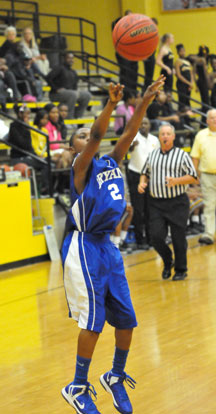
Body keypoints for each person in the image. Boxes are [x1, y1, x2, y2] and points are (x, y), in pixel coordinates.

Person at [61, 76, 165, 414]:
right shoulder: (80, 168)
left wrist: (145, 102)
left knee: (126, 320)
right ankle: (77, 386)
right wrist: (109, 104)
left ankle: (115, 375)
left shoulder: (110, 161)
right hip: (84, 247)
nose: (87, 139)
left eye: (86, 135)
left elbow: (129, 133)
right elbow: (96, 135)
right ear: (74, 146)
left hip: (107, 246)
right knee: (92, 323)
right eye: (79, 136)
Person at [138, 123, 198, 281]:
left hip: (177, 202)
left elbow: (193, 177)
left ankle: (180, 269)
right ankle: (167, 260)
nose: (165, 136)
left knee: (178, 237)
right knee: (155, 237)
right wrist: (141, 182)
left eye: (167, 134)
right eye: (162, 134)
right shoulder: (152, 155)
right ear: (159, 137)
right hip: (156, 203)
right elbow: (145, 172)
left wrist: (176, 180)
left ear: (173, 137)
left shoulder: (182, 155)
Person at [127, 117, 159, 249]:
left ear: (150, 125)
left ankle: (151, 239)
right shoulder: (133, 137)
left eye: (145, 123)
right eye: (140, 124)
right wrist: (131, 146)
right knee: (138, 210)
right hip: (135, 175)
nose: (143, 126)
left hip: (150, 177)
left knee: (149, 209)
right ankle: (140, 240)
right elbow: (126, 149)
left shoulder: (154, 139)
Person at [190, 109, 216, 245]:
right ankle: (209, 234)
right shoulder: (201, 135)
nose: (214, 120)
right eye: (212, 118)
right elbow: (195, 156)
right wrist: (195, 176)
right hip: (207, 175)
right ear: (207, 120)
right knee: (209, 205)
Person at [47, 52, 91, 119]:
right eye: (69, 58)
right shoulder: (59, 68)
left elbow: (75, 86)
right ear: (64, 59)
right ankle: (69, 118)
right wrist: (56, 89)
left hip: (70, 93)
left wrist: (76, 92)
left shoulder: (73, 72)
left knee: (87, 95)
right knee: (72, 94)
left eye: (72, 58)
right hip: (55, 94)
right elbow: (48, 78)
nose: (71, 60)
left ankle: (78, 116)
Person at [112, 10, 138, 93]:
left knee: (134, 71)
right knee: (125, 71)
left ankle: (133, 91)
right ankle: (123, 91)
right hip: (122, 51)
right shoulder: (118, 25)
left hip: (132, 52)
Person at [175, 44, 194, 109]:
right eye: (181, 51)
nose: (182, 52)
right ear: (178, 52)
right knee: (182, 101)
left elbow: (191, 73)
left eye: (183, 51)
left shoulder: (188, 61)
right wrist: (188, 83)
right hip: (181, 84)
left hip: (188, 85)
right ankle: (182, 117)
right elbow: (179, 75)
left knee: (187, 100)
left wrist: (191, 83)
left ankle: (187, 117)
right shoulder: (177, 61)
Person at [142, 17, 158, 92]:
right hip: (147, 57)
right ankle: (145, 91)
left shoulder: (154, 34)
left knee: (150, 77)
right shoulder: (146, 34)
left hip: (152, 57)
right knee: (148, 77)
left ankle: (148, 90)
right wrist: (143, 56)